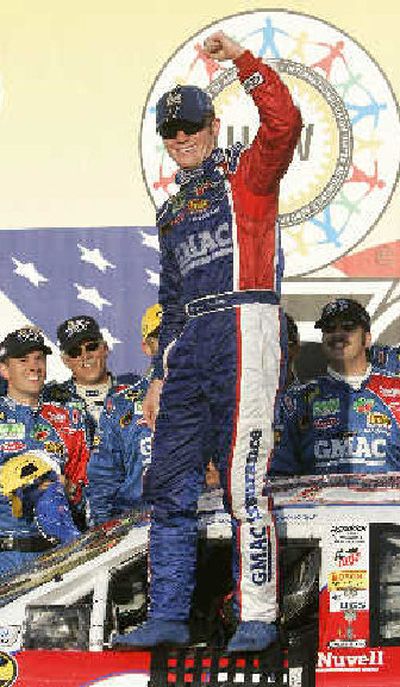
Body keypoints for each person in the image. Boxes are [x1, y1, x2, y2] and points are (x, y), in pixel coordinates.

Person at [114, 31, 301, 652]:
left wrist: (243, 61)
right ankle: (167, 613)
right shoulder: (169, 209)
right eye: (170, 133)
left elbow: (284, 121)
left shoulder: (247, 174)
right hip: (189, 340)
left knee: (244, 482)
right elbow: (169, 298)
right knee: (168, 483)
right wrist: (161, 375)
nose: (180, 139)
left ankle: (259, 615)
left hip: (245, 325)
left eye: (190, 126)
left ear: (212, 124)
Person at [270, 298, 400, 476]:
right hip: (319, 504)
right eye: (330, 329)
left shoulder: (395, 392)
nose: (338, 335)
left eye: (348, 327)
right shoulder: (296, 401)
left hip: (386, 503)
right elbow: (280, 474)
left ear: (367, 339)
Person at [0, 327, 84, 578]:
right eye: (23, 360)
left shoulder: (69, 418)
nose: (34, 366)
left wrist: (71, 488)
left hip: (59, 556)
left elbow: (89, 484)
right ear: (4, 370)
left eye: (39, 358)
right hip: (6, 554)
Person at [87, 305, 162, 525]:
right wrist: (101, 532)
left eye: (177, 335)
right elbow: (102, 481)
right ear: (146, 347)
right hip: (137, 528)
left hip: (203, 525)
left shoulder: (217, 397)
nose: (170, 344)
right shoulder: (121, 404)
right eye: (160, 337)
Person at [45, 315, 139, 442]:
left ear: (105, 348)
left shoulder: (136, 387)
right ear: (66, 360)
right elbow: (12, 396)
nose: (85, 356)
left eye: (91, 347)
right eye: (75, 352)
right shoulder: (50, 397)